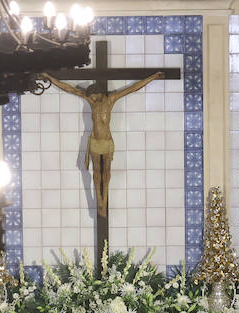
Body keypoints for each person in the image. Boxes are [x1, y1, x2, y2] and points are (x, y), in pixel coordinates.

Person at [45, 71, 165, 217]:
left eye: (93, 97)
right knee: (96, 172)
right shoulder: (91, 101)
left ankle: (104, 198)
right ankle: (99, 201)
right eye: (90, 98)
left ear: (99, 94)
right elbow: (69, 89)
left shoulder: (111, 99)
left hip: (107, 142)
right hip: (95, 142)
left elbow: (133, 88)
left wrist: (153, 77)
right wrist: (49, 77)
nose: (91, 99)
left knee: (106, 172)